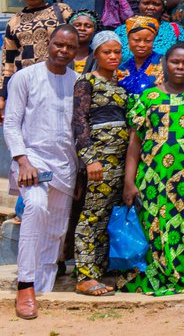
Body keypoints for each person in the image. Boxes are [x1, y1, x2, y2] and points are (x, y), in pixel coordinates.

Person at [121, 42, 184, 295]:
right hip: (153, 178)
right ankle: (156, 279)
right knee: (155, 227)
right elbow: (134, 143)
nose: (180, 67)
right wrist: (129, 182)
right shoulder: (147, 97)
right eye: (175, 61)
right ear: (166, 62)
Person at [5, 25, 79, 319]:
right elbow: (11, 122)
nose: (63, 51)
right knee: (34, 209)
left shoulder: (78, 82)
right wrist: (22, 160)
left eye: (70, 47)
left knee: (56, 230)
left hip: (65, 165)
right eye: (59, 45)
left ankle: (43, 289)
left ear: (76, 50)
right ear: (49, 44)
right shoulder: (25, 77)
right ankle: (25, 284)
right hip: (32, 162)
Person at [71, 31, 128, 297]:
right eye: (107, 52)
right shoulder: (86, 82)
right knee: (91, 216)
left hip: (119, 161)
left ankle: (99, 271)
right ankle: (84, 275)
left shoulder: (119, 85)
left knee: (106, 217)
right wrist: (90, 158)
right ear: (96, 55)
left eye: (117, 52)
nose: (113, 56)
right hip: (99, 162)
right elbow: (79, 122)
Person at [1, 0, 72, 105]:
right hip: (25, 85)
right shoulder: (14, 21)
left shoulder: (62, 11)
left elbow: (79, 42)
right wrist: (2, 96)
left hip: (58, 80)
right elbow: (8, 61)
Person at [114, 0, 184, 62]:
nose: (150, 7)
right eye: (146, 3)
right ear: (139, 5)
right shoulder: (121, 31)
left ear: (163, 8)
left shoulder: (174, 30)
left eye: (156, 4)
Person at [117, 16, 162, 96]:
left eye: (148, 41)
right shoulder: (122, 68)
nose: (142, 45)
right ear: (128, 40)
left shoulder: (163, 63)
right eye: (136, 40)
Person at [69, 10, 99, 75]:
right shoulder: (61, 55)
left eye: (88, 26)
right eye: (77, 25)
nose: (82, 28)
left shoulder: (98, 58)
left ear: (94, 30)